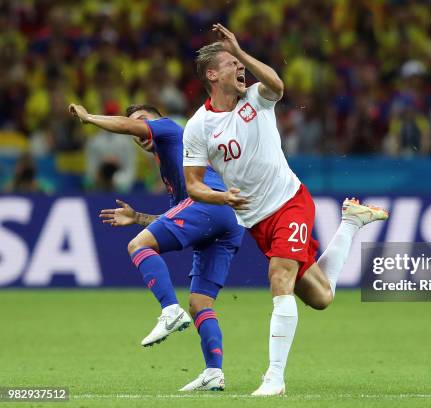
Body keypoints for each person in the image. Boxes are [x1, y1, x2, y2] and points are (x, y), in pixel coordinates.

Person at [182, 23, 389, 396]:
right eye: (231, 64)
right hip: (255, 219)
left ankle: (274, 377)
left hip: (289, 201)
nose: (240, 69)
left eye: (240, 63)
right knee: (320, 298)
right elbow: (193, 184)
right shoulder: (198, 127)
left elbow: (277, 85)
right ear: (212, 74)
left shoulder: (256, 99)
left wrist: (241, 51)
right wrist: (221, 198)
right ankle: (350, 224)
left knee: (280, 277)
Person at [68, 103, 244, 391]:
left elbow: (126, 126)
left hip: (210, 203)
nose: (137, 131)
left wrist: (89, 118)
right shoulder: (173, 167)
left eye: (142, 122)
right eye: (134, 127)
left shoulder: (170, 129)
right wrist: (138, 217)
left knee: (138, 245)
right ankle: (214, 372)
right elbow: (177, 216)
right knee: (201, 303)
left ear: (157, 120)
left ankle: (169, 310)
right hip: (227, 218)